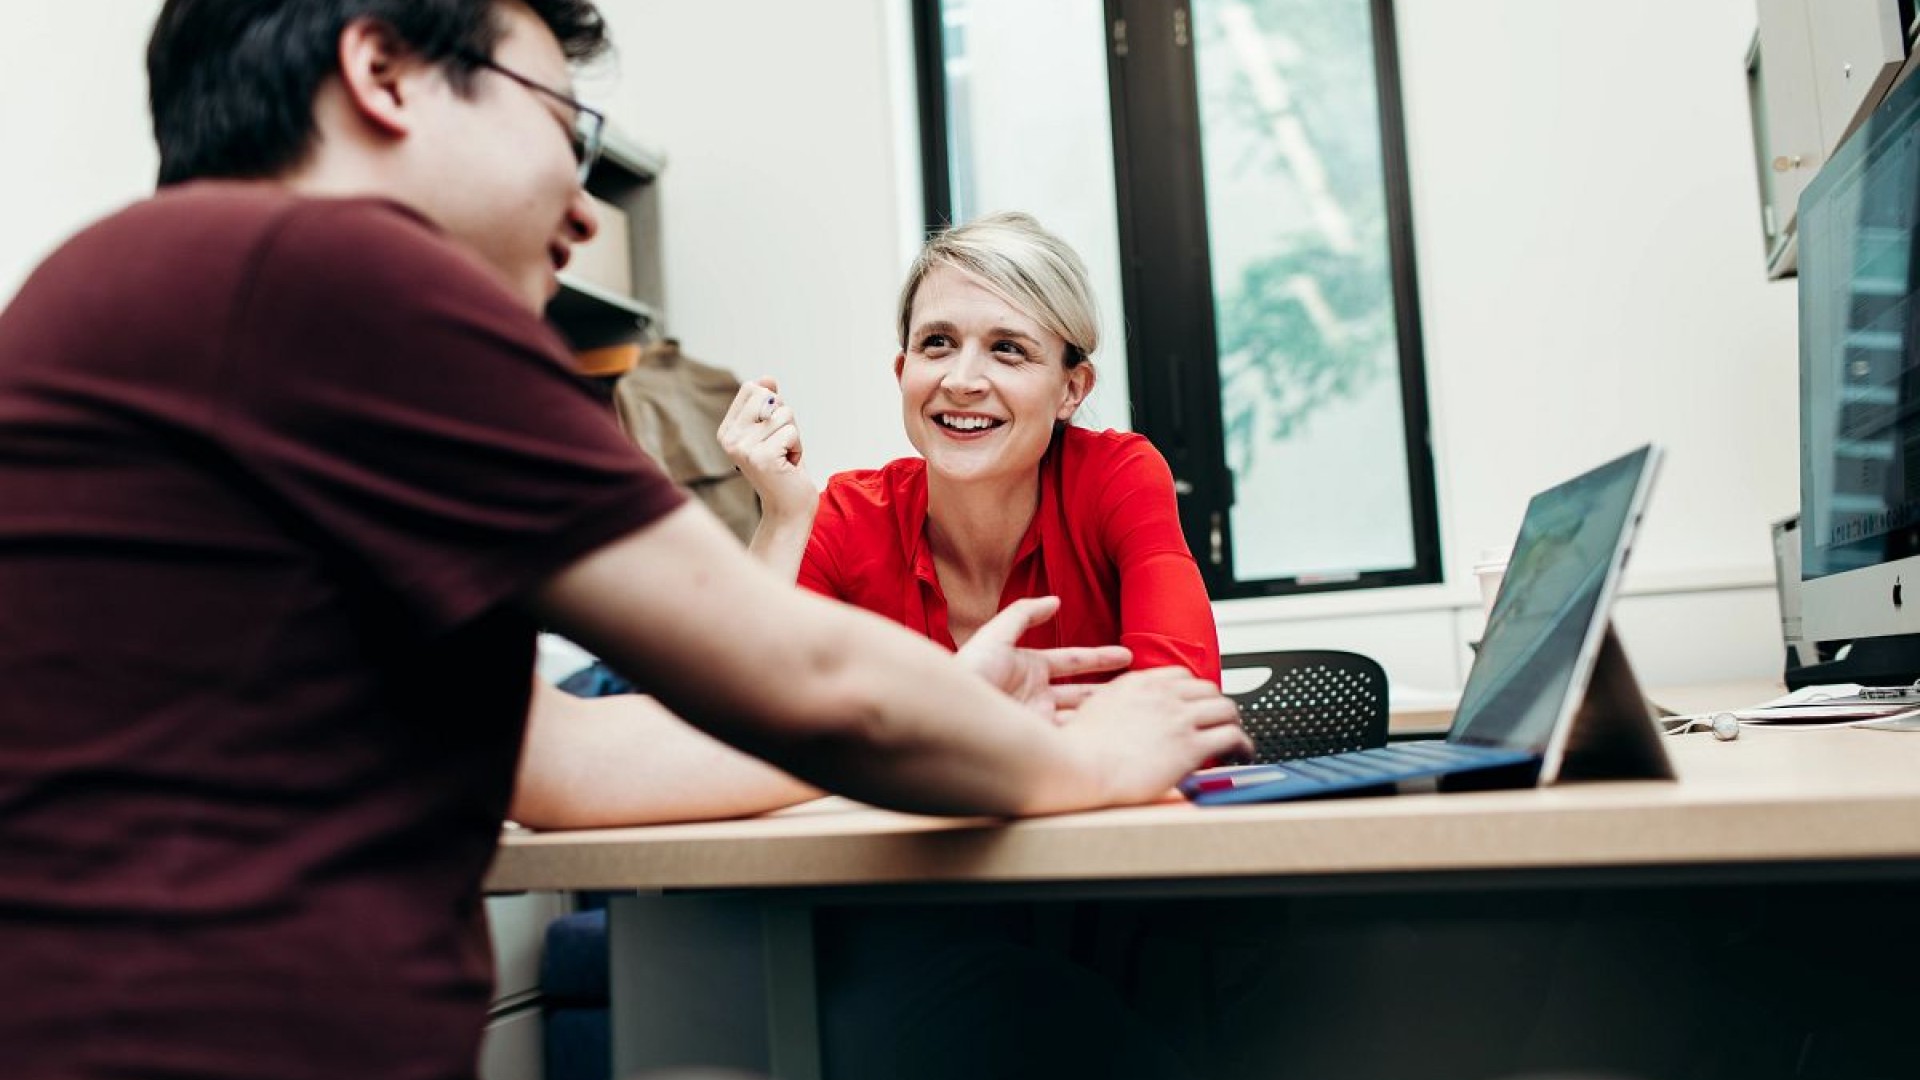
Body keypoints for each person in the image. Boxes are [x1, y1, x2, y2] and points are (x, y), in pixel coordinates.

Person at [0, 3, 1249, 1079]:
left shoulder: (137, 290)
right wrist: (1084, 761)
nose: (586, 215)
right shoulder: (341, 281)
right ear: (383, 74)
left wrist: (960, 699)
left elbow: (569, 764)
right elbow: (814, 683)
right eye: (563, 124)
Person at [719, 211, 1221, 684]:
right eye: (937, 343)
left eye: (1008, 349)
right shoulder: (847, 517)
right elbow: (733, 728)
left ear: (1072, 389)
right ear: (903, 372)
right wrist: (784, 518)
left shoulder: (1117, 478)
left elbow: (1181, 706)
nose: (961, 381)